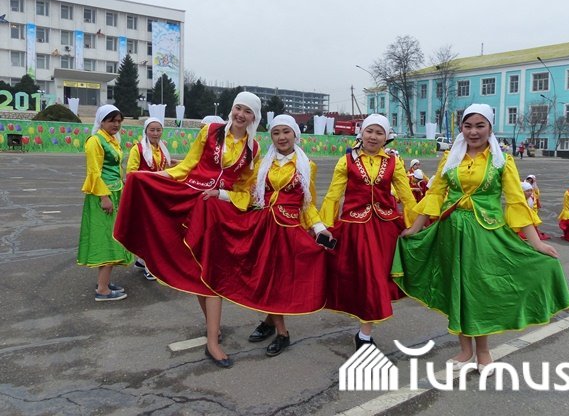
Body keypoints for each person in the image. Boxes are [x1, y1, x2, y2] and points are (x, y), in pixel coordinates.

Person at [393, 103, 569, 376]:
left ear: (490, 128)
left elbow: (516, 201)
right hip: (450, 232)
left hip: (485, 234)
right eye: (468, 126)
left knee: (480, 291)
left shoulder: (502, 161)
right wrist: (415, 229)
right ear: (461, 128)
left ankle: (484, 352)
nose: (473, 132)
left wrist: (536, 242)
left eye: (480, 126)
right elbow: (435, 194)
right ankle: (465, 350)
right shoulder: (450, 158)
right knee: (456, 289)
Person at [114, 92, 262, 368]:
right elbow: (187, 166)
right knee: (197, 270)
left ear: (255, 117)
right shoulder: (211, 130)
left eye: (247, 111)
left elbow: (245, 190)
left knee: (210, 272)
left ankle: (213, 340)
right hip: (190, 200)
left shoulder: (253, 148)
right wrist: (153, 177)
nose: (240, 115)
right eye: (238, 108)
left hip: (218, 211)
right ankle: (212, 331)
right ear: (232, 109)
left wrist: (222, 194)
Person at [184, 114, 331, 357]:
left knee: (279, 281)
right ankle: (277, 328)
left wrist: (319, 228)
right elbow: (250, 195)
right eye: (276, 133)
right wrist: (220, 194)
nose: (281, 137)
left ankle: (276, 328)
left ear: (295, 134)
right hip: (263, 228)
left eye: (286, 132)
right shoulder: (263, 164)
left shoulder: (308, 166)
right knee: (267, 279)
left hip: (288, 231)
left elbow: (307, 204)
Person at [319, 114, 417, 350]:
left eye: (379, 132)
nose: (373, 137)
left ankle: (364, 333)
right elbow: (333, 195)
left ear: (386, 137)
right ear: (361, 133)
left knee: (377, 278)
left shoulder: (394, 162)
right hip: (356, 229)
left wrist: (414, 225)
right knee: (365, 279)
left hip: (385, 230)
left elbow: (406, 195)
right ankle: (364, 334)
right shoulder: (346, 161)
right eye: (369, 131)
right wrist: (325, 227)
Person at [77, 104, 134, 301]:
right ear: (101, 121)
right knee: (107, 239)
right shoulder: (95, 141)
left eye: (119, 121)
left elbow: (115, 167)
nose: (116, 125)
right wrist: (104, 197)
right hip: (103, 195)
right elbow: (94, 172)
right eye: (112, 121)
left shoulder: (112, 140)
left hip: (114, 192)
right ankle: (102, 290)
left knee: (111, 236)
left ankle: (104, 282)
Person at [125, 117, 174, 281]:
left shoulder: (162, 149)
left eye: (158, 130)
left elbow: (166, 168)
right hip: (143, 195)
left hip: (157, 195)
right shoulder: (138, 149)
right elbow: (131, 173)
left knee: (152, 228)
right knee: (148, 230)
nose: (155, 133)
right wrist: (152, 177)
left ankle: (141, 261)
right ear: (145, 131)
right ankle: (149, 267)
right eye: (152, 130)